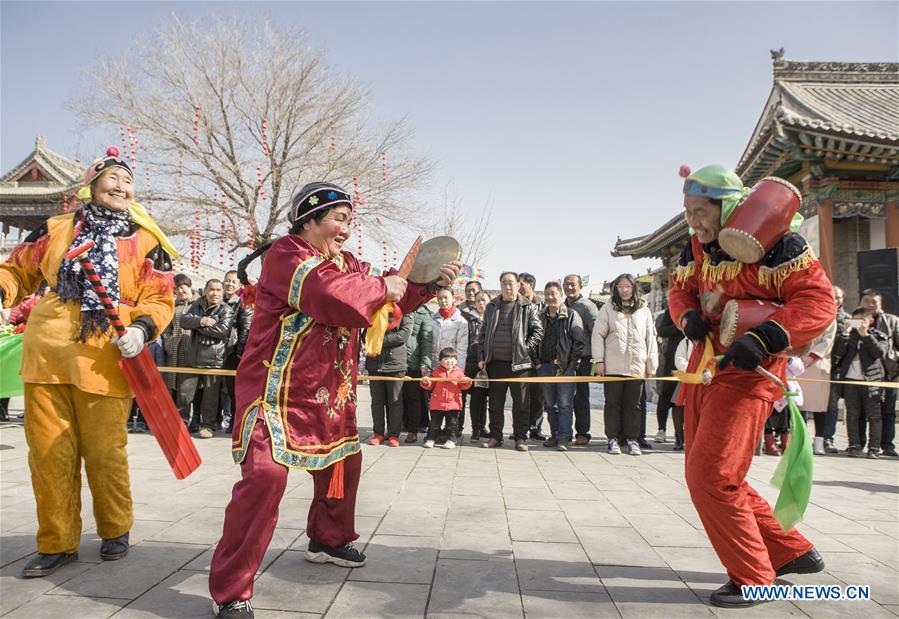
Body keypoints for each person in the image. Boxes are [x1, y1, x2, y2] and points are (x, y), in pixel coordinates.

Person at [208, 181, 459, 619]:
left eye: (348, 220)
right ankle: (231, 589)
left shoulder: (348, 263)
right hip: (275, 393)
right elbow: (330, 295)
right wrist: (386, 285)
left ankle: (329, 538)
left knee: (343, 464)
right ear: (309, 219)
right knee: (265, 478)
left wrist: (424, 284)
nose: (345, 228)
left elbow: (383, 309)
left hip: (329, 394)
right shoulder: (287, 255)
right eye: (338, 218)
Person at [0, 146, 175, 578]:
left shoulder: (147, 239)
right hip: (47, 354)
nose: (121, 185)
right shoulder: (55, 228)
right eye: (112, 178)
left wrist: (143, 328)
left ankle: (115, 528)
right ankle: (56, 541)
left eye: (127, 180)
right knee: (48, 453)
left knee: (104, 452)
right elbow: (15, 270)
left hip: (106, 355)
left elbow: (160, 296)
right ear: (91, 186)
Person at [668, 164, 833, 607]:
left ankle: (754, 577)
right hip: (707, 370)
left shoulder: (781, 244)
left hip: (751, 376)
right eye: (688, 212)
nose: (694, 222)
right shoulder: (695, 248)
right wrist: (686, 317)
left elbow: (819, 302)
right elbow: (678, 290)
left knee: (713, 475)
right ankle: (788, 550)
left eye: (701, 212)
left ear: (726, 206)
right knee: (710, 474)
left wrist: (765, 337)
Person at [592, 273, 658, 456]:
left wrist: (652, 364)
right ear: (615, 289)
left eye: (628, 286)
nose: (624, 290)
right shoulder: (607, 309)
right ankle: (612, 438)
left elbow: (650, 338)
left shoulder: (643, 310)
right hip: (613, 365)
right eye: (620, 286)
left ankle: (632, 439)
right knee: (612, 403)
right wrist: (599, 361)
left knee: (634, 405)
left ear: (634, 288)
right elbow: (597, 335)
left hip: (636, 366)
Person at [477, 272, 542, 452]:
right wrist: (482, 356)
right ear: (500, 285)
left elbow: (537, 331)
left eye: (511, 283)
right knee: (495, 404)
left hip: (519, 365)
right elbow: (482, 334)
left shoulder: (527, 306)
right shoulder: (492, 306)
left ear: (518, 284)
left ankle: (521, 437)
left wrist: (524, 347)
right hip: (495, 363)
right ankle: (495, 436)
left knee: (521, 404)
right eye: (504, 283)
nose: (508, 286)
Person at [180, 279, 235, 438]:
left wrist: (195, 325)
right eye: (212, 289)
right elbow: (184, 321)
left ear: (222, 292)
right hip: (192, 358)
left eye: (218, 290)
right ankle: (180, 424)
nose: (215, 293)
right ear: (205, 290)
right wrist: (202, 321)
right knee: (185, 394)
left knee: (210, 397)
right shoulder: (196, 305)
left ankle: (207, 426)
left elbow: (222, 331)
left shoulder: (226, 310)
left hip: (214, 360)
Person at [832, 307, 889, 458]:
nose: (857, 325)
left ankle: (874, 448)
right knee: (852, 414)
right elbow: (837, 354)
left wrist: (866, 335)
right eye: (854, 320)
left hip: (872, 380)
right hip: (851, 381)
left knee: (874, 415)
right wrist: (844, 333)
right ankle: (854, 445)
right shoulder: (848, 336)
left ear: (869, 321)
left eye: (860, 321)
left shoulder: (879, 335)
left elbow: (878, 353)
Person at [536, 281, 584, 451]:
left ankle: (564, 437)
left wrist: (571, 365)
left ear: (561, 295)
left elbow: (578, 343)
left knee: (564, 404)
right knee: (549, 404)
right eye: (547, 293)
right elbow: (533, 340)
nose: (550, 297)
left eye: (553, 293)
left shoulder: (571, 315)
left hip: (564, 367)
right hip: (545, 366)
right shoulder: (540, 316)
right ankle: (555, 434)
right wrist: (538, 362)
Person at [858, 289, 899, 456]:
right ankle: (858, 444)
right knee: (859, 411)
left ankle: (887, 445)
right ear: (861, 302)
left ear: (880, 303)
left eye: (874, 301)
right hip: (860, 373)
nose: (870, 304)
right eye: (866, 300)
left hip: (888, 373)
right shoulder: (853, 320)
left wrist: (894, 363)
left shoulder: (893, 321)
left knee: (887, 411)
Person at [366, 313, 413, 447]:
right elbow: (365, 336)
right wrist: (374, 338)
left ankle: (393, 434)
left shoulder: (405, 312)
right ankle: (378, 433)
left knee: (395, 401)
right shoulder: (375, 310)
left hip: (396, 364)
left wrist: (378, 339)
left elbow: (403, 335)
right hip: (374, 363)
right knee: (377, 402)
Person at [563, 274, 599, 445]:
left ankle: (583, 432)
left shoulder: (587, 306)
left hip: (583, 359)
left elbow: (597, 333)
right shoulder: (562, 305)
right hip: (564, 359)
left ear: (580, 287)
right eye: (566, 284)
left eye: (573, 284)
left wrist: (596, 358)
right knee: (564, 398)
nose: (569, 288)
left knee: (580, 397)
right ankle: (564, 432)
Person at [431, 287, 468, 435]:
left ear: (453, 298)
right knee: (437, 401)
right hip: (437, 368)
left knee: (453, 401)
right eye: (440, 298)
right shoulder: (433, 319)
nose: (443, 301)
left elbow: (462, 348)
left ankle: (453, 431)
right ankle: (436, 431)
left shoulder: (461, 321)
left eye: (446, 297)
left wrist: (458, 371)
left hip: (453, 369)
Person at [798, 317, 837, 455]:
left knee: (820, 406)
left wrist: (812, 357)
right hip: (798, 362)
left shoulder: (829, 318)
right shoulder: (803, 313)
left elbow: (827, 341)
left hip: (818, 364)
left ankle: (819, 440)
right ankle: (802, 440)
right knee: (800, 403)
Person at [163, 274, 198, 424]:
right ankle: (171, 419)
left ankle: (183, 420)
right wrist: (168, 341)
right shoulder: (173, 305)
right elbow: (166, 328)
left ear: (189, 286)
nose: (181, 290)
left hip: (191, 348)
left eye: (183, 286)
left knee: (187, 387)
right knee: (172, 384)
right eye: (177, 288)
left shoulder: (198, 303)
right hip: (174, 349)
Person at [222, 270, 254, 432]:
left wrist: (240, 352)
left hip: (233, 351)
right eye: (227, 281)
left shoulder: (243, 303)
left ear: (239, 285)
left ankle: (235, 421)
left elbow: (245, 329)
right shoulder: (217, 300)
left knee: (233, 389)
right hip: (219, 351)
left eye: (233, 282)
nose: (229, 284)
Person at [421, 347, 471, 449]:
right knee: (434, 424)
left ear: (456, 361)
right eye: (446, 359)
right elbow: (430, 385)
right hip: (437, 403)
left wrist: (466, 381)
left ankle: (451, 440)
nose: (449, 361)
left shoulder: (459, 372)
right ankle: (431, 439)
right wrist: (426, 381)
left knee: (452, 425)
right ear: (440, 361)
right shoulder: (436, 372)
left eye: (452, 359)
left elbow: (464, 386)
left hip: (453, 404)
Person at [519, 272, 547, 440]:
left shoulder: (541, 307)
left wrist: (537, 359)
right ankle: (521, 428)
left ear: (531, 285)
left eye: (521, 283)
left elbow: (539, 334)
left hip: (538, 357)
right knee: (521, 396)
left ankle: (535, 428)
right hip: (521, 357)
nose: (518, 286)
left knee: (538, 395)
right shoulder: (516, 304)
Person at [401, 305, 433, 442]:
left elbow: (426, 340)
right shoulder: (397, 307)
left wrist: (425, 362)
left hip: (413, 362)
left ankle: (412, 431)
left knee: (413, 398)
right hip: (395, 362)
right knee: (394, 399)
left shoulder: (423, 312)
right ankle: (393, 429)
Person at [654, 306, 683, 444]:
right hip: (672, 360)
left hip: (694, 359)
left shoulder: (700, 309)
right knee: (665, 396)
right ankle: (662, 429)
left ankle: (680, 434)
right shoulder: (672, 310)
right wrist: (679, 326)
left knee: (682, 400)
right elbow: (662, 331)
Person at [464, 291, 490, 441]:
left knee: (485, 398)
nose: (481, 303)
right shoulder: (469, 319)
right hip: (473, 362)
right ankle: (475, 429)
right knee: (475, 397)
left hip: (490, 361)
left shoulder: (494, 318)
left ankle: (483, 426)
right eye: (479, 301)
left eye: (484, 300)